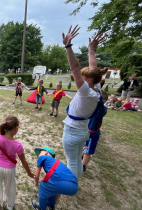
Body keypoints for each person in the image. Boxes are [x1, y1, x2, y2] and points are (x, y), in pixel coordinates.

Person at [61, 25, 108, 179]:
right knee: (75, 161)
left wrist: (68, 46)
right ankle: (73, 181)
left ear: (88, 80)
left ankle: (70, 184)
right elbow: (93, 68)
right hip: (82, 131)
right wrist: (91, 50)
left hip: (73, 131)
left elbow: (75, 68)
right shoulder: (97, 89)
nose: (78, 77)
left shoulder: (86, 92)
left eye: (82, 76)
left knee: (72, 162)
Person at [82, 87, 107, 172]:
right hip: (85, 132)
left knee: (87, 152)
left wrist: (98, 96)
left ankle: (83, 166)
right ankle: (81, 159)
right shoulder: (91, 107)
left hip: (93, 135)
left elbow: (100, 108)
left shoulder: (102, 109)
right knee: (83, 148)